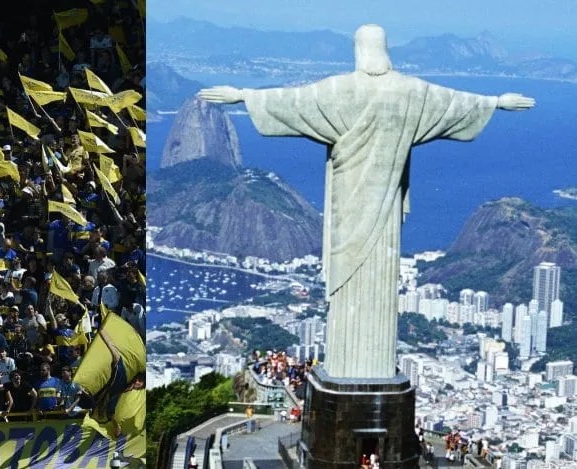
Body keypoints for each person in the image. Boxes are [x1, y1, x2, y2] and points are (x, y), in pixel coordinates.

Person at [198, 24, 535, 379]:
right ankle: (368, 371)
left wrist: (242, 95)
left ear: (358, 49)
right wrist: (496, 102)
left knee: (348, 282)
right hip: (385, 210)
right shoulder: (409, 92)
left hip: (347, 206)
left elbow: (291, 101)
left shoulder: (338, 90)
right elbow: (453, 103)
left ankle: (348, 370)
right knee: (376, 278)